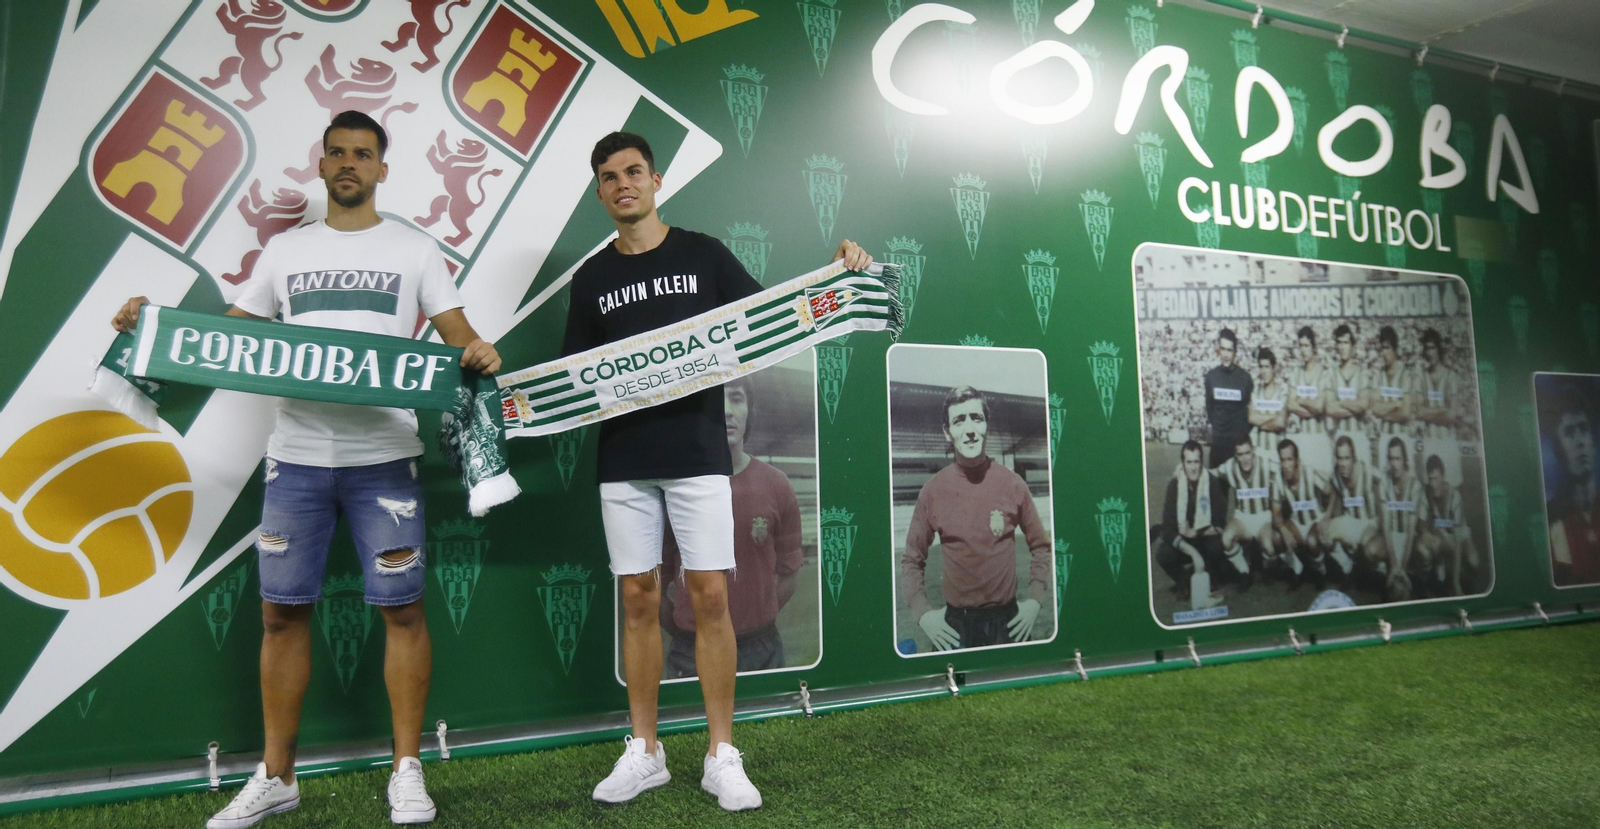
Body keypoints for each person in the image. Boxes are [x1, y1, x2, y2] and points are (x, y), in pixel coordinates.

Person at [113, 111, 501, 828]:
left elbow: (462, 337)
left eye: (364, 153)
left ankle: (407, 769)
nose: (350, 163)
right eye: (338, 153)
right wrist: (152, 328)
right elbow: (220, 340)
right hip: (293, 459)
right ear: (321, 166)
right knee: (281, 615)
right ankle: (278, 776)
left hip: (385, 458)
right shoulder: (283, 252)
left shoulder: (415, 250)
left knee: (404, 610)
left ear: (383, 169)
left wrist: (481, 351)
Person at [561, 132, 871, 811]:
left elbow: (771, 321)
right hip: (624, 461)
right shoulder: (591, 279)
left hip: (700, 455)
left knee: (708, 597)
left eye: (634, 171)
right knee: (640, 598)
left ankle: (720, 754)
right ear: (599, 191)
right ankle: (645, 750)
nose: (623, 185)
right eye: (609, 177)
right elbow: (574, 381)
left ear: (656, 179)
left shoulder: (702, 254)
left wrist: (835, 276)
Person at [659, 377, 804, 677]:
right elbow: (656, 588)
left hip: (761, 651)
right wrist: (691, 632)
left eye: (737, 399)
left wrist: (753, 623)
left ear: (749, 410)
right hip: (691, 651)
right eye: (714, 400)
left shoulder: (777, 485)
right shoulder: (673, 489)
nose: (726, 410)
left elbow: (790, 575)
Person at [901, 385, 1052, 650]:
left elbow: (1041, 546)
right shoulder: (933, 491)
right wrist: (923, 613)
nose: (969, 429)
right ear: (947, 432)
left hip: (1009, 622)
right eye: (959, 420)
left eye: (976, 418)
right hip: (955, 626)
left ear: (986, 426)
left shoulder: (1013, 484)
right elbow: (912, 559)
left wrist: (1035, 601)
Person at [1153, 440, 1235, 601]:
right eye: (1188, 462)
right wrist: (1193, 553)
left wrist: (1195, 532)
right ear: (1182, 463)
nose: (1193, 467)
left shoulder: (1211, 483)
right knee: (1163, 554)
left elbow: (1219, 524)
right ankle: (1184, 581)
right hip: (1185, 543)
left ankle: (1211, 578)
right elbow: (1168, 529)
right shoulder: (1174, 485)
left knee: (1217, 545)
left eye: (1196, 462)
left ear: (1201, 462)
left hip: (1205, 540)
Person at [1318, 435, 1398, 596]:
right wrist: (1326, 516)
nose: (1343, 463)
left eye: (1347, 458)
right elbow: (1332, 490)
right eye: (1340, 458)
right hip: (1351, 521)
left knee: (1372, 551)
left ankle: (1380, 571)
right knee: (1323, 531)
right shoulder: (1337, 473)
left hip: (1370, 523)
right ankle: (1348, 568)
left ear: (1354, 457)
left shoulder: (1368, 471)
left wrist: (1385, 522)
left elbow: (1388, 487)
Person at [1542, 382, 1599, 586]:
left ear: (1593, 441)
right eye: (1569, 433)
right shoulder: (1550, 520)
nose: (1580, 441)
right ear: (1558, 449)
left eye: (1584, 429)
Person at [1413, 454, 1479, 596]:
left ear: (1443, 477)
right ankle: (1430, 577)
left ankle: (1457, 576)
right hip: (1439, 534)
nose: (1433, 484)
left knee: (1474, 562)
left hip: (1460, 534)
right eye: (1430, 479)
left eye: (1436, 479)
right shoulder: (1426, 493)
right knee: (1422, 548)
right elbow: (1422, 526)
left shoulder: (1454, 495)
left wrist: (1455, 582)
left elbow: (1457, 535)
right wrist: (1429, 538)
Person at [1272, 438, 1328, 588]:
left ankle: (1321, 571)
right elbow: (1275, 512)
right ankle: (1297, 569)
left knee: (1312, 542)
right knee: (1276, 537)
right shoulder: (1278, 478)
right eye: (1282, 460)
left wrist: (1327, 517)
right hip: (1297, 523)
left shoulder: (1309, 472)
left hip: (1315, 521)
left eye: (1289, 459)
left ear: (1297, 460)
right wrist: (1284, 529)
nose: (1286, 465)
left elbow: (1331, 491)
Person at [1218, 436, 1273, 586]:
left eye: (1247, 453)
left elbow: (1289, 467)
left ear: (1253, 451)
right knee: (1226, 538)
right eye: (1240, 454)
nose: (1245, 459)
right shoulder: (1230, 467)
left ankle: (1266, 567)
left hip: (1264, 517)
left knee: (1269, 546)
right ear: (1235, 456)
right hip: (1242, 518)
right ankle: (1244, 570)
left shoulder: (1266, 464)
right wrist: (1183, 469)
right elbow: (1213, 472)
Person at [1377, 437, 1424, 599]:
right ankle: (1386, 569)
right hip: (1390, 537)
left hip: (1408, 539)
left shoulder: (1415, 485)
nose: (1394, 463)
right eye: (1391, 458)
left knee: (1423, 553)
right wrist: (1394, 563)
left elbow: (1411, 531)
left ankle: (1419, 572)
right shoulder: (1384, 481)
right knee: (1394, 589)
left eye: (1397, 458)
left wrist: (1401, 567)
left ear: (1404, 460)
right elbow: (1386, 526)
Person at [1203, 328, 1252, 469]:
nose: (1225, 354)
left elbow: (1249, 410)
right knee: (1217, 489)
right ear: (1218, 349)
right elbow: (1209, 408)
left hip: (1239, 446)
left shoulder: (1245, 378)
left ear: (1235, 352)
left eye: (1229, 350)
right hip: (1218, 444)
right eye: (1223, 349)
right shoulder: (1211, 377)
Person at [1370, 327, 1416, 463]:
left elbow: (1406, 413)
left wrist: (1384, 412)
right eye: (1381, 349)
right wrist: (1396, 404)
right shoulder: (1378, 376)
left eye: (1387, 348)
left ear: (1395, 349)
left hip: (1403, 436)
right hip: (1383, 436)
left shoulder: (1406, 375)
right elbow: (1375, 409)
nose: (1384, 353)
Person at [1325, 324, 1370, 441]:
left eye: (1346, 343)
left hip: (1359, 435)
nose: (1342, 347)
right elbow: (1330, 408)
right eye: (1339, 343)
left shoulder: (1362, 373)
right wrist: (1354, 406)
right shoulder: (1331, 373)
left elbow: (1363, 405)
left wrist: (1340, 403)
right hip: (1338, 435)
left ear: (1353, 346)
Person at [1284, 326, 1328, 435]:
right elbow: (1290, 404)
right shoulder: (1296, 373)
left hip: (1320, 433)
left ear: (1313, 347)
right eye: (1301, 346)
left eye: (1306, 346)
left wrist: (1300, 400)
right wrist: (1312, 411)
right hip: (1301, 434)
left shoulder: (1323, 373)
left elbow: (1319, 406)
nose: (1303, 350)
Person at [1415, 329, 1458, 441]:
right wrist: (1442, 410)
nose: (1429, 353)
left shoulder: (1451, 376)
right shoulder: (1421, 377)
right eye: (1427, 348)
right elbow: (1419, 412)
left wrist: (1427, 414)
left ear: (1439, 349)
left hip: (1448, 438)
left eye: (1432, 348)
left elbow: (1452, 415)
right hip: (1427, 438)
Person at [1248, 347, 1289, 462]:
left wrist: (1260, 423)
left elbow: (1281, 422)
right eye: (1261, 367)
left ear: (1274, 368)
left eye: (1267, 367)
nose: (1264, 371)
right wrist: (1274, 418)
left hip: (1278, 453)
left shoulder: (1282, 391)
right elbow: (1251, 418)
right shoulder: (1256, 391)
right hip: (1259, 451)